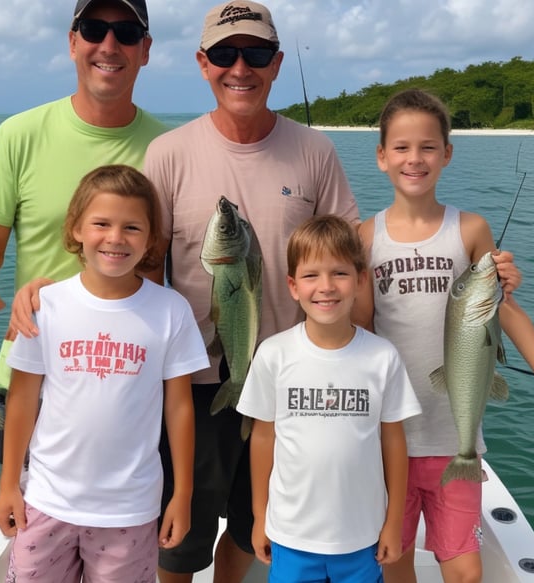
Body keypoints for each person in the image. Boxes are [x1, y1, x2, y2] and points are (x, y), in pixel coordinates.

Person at [142, 3, 364, 581]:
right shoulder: (167, 154)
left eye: (257, 53)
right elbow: (142, 270)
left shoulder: (316, 151)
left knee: (252, 527)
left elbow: (351, 260)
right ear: (202, 63)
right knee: (181, 532)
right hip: (192, 380)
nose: (240, 67)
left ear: (277, 63)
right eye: (224, 53)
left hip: (293, 378)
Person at [353, 88, 534, 583]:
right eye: (402, 147)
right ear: (381, 157)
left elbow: (505, 309)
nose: (415, 158)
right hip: (388, 434)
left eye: (429, 147)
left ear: (448, 154)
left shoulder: (471, 228)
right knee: (393, 560)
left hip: (455, 436)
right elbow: (362, 330)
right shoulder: (366, 237)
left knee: (466, 570)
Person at [0, 0, 166, 455]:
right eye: (95, 28)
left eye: (126, 32)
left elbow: (163, 266)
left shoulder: (169, 150)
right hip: (29, 374)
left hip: (129, 377)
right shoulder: (17, 135)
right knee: (26, 521)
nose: (109, 44)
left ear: (145, 49)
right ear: (72, 41)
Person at [0, 164, 209, 582]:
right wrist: (8, 486)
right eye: (101, 223)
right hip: (45, 501)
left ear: (151, 240)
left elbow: (180, 409)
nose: (115, 238)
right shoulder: (44, 306)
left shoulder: (170, 311)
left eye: (132, 227)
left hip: (131, 508)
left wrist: (181, 495)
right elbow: (21, 400)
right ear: (75, 229)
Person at [236, 215, 422, 582]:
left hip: (362, 537)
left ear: (360, 280)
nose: (326, 287)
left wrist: (393, 521)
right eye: (310, 276)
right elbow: (263, 437)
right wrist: (261, 516)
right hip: (290, 535)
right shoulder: (273, 354)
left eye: (339, 273)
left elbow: (394, 441)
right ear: (292, 285)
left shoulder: (383, 357)